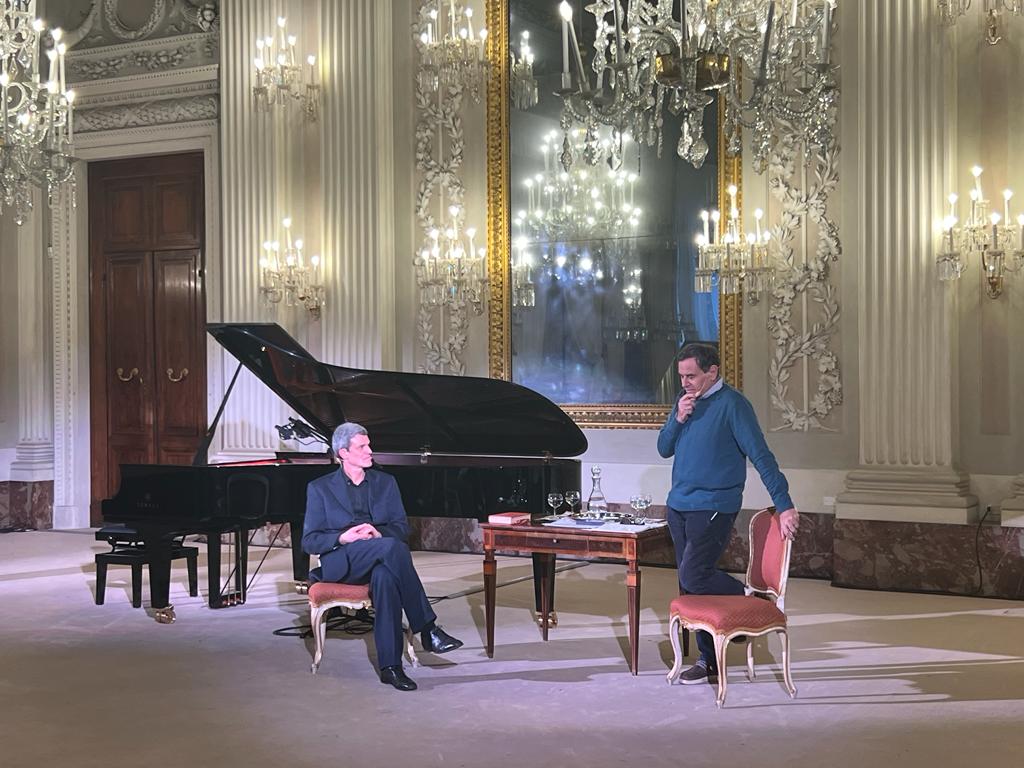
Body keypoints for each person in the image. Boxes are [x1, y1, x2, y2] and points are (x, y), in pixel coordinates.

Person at [657, 343, 799, 685]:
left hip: (715, 505)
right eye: (681, 376)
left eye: (691, 376)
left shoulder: (734, 405)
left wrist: (784, 503)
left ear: (712, 372)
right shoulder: (684, 402)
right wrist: (678, 418)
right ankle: (708, 659)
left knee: (694, 574)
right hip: (679, 505)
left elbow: (761, 455)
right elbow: (663, 448)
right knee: (690, 586)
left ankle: (745, 598)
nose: (685, 383)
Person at [302, 422, 464, 691]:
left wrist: (377, 533)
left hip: (381, 556)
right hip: (343, 562)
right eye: (362, 446)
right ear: (343, 453)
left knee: (386, 577)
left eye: (369, 445)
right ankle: (428, 628)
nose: (370, 451)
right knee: (392, 548)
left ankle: (391, 668)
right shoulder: (319, 488)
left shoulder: (386, 482)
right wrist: (343, 537)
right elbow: (309, 541)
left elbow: (401, 528)